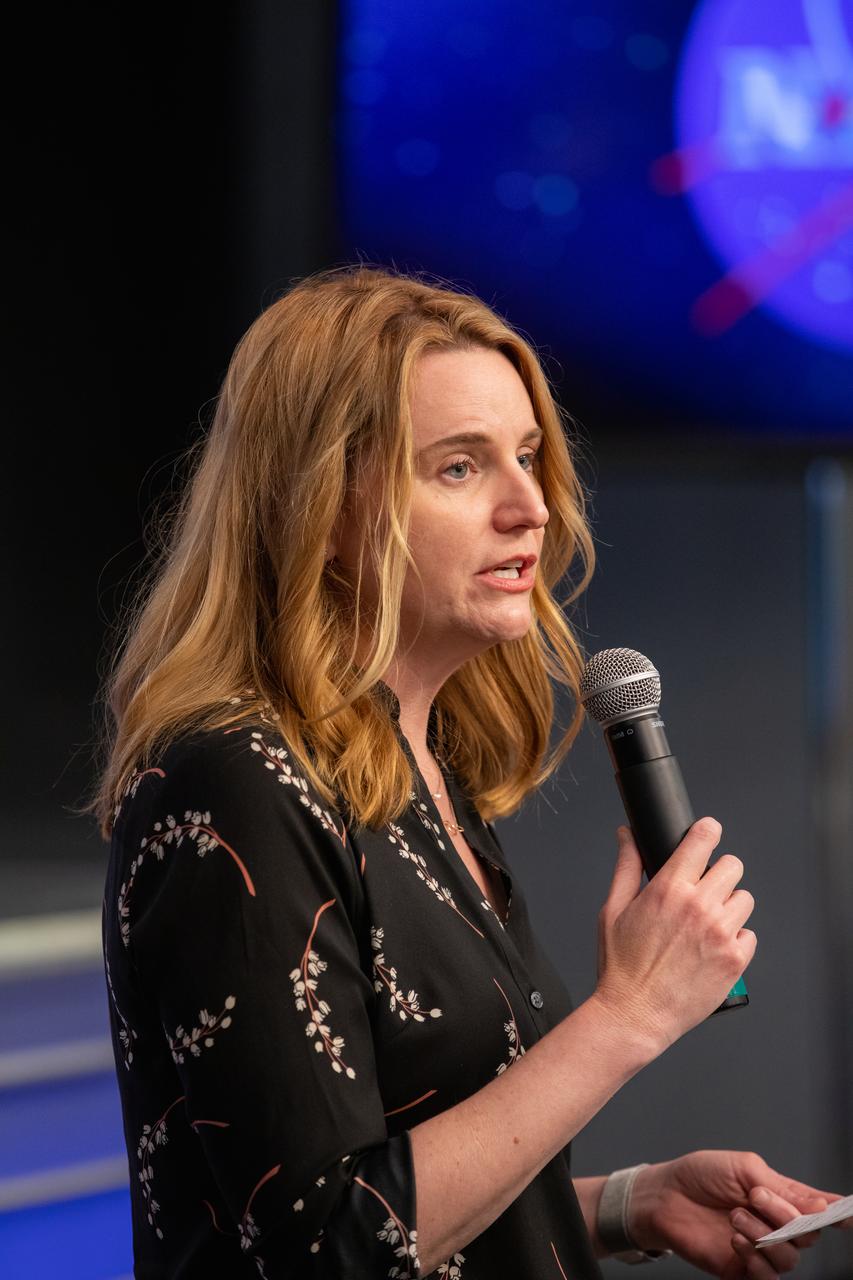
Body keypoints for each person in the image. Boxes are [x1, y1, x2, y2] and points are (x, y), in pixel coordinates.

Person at [92, 266, 847, 1278]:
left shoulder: (410, 770)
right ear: (320, 505)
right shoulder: (236, 780)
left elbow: (412, 1201)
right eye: (459, 467)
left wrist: (628, 1203)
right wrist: (625, 1016)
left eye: (529, 456)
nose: (530, 506)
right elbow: (325, 1245)